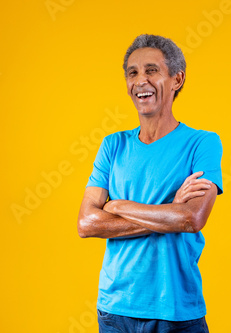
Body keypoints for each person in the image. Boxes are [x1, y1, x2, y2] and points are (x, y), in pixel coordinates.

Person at [77, 34, 223, 333]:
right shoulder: (112, 145)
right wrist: (170, 211)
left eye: (151, 70)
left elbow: (192, 218)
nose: (140, 80)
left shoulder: (202, 143)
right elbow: (87, 223)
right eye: (132, 72)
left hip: (177, 309)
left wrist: (119, 206)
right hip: (115, 310)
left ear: (176, 79)